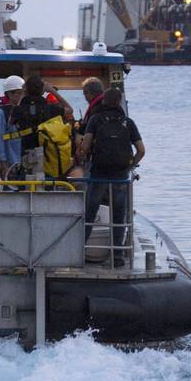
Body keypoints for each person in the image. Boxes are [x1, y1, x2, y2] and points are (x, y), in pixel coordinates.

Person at [76, 87, 144, 265]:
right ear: (120, 101)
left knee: (90, 212)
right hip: (120, 175)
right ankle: (118, 255)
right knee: (119, 214)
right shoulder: (128, 123)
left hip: (99, 172)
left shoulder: (95, 120)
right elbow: (141, 150)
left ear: (104, 101)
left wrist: (83, 156)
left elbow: (85, 147)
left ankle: (79, 250)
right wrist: (129, 166)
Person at [3, 75, 65, 180]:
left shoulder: (18, 110)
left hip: (26, 154)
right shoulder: (50, 109)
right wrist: (52, 91)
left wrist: (23, 96)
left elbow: (10, 122)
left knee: (25, 183)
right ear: (42, 91)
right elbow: (69, 109)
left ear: (25, 90)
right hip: (47, 155)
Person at [0, 75, 28, 172]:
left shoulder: (22, 112)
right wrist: (2, 163)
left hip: (22, 164)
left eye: (23, 93)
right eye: (19, 93)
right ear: (10, 94)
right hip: (9, 165)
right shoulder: (0, 114)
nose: (22, 96)